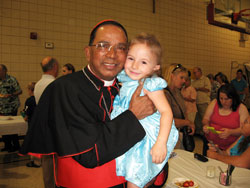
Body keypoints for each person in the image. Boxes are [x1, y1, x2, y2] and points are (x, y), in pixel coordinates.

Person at [19, 20, 166, 188]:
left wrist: (153, 172)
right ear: (88, 52)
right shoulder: (64, 88)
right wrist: (133, 115)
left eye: (121, 48)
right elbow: (89, 154)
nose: (112, 54)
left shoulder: (128, 87)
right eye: (103, 45)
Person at [111, 33, 178, 188]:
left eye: (143, 62)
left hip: (146, 141)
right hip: (130, 136)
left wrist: (161, 143)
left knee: (135, 181)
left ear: (155, 67)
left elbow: (167, 113)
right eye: (131, 58)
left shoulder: (150, 85)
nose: (134, 66)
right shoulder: (124, 81)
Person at [33, 56, 59, 188]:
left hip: (42, 127)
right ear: (55, 67)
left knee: (46, 161)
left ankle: (49, 184)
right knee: (52, 162)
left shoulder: (38, 84)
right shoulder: (54, 84)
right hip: (53, 128)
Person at [203, 84, 249, 154]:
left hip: (229, 148)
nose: (223, 102)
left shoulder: (241, 108)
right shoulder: (214, 103)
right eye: (221, 98)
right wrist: (206, 125)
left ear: (233, 98)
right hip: (210, 143)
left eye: (226, 99)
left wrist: (231, 132)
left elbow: (244, 130)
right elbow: (205, 119)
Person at [164, 64, 195, 150]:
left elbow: (183, 111)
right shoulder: (164, 94)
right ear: (172, 76)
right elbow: (167, 121)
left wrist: (187, 123)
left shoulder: (178, 92)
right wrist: (187, 122)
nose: (184, 81)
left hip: (179, 134)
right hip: (169, 137)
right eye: (181, 78)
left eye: (185, 78)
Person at [0, 64, 22, 152]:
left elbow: (19, 91)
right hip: (2, 108)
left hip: (12, 107)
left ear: (5, 71)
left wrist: (11, 95)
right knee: (3, 128)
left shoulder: (12, 80)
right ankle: (7, 145)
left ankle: (16, 145)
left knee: (12, 127)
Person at [21, 82, 40, 168]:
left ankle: (35, 162)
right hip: (39, 123)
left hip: (32, 124)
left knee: (32, 143)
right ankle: (39, 160)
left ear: (30, 90)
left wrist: (23, 114)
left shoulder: (29, 101)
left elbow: (26, 116)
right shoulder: (39, 98)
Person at [192, 67, 211, 136]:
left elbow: (207, 89)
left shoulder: (205, 80)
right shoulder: (193, 82)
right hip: (196, 103)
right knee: (197, 119)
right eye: (193, 73)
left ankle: (206, 133)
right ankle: (199, 132)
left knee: (204, 118)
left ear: (200, 72)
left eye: (195, 72)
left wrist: (198, 88)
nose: (194, 74)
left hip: (203, 102)